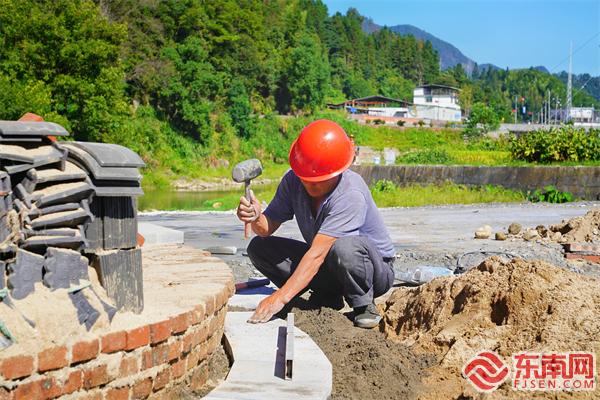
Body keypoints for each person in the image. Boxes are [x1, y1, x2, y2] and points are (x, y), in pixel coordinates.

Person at [237, 119, 395, 328]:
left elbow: (318, 253)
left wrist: (279, 298)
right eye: (306, 177)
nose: (310, 183)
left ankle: (363, 305)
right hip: (330, 262)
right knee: (259, 248)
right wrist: (256, 217)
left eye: (319, 179)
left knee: (345, 248)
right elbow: (266, 228)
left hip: (373, 270)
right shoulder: (293, 180)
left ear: (337, 171)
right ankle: (328, 295)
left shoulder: (350, 193)